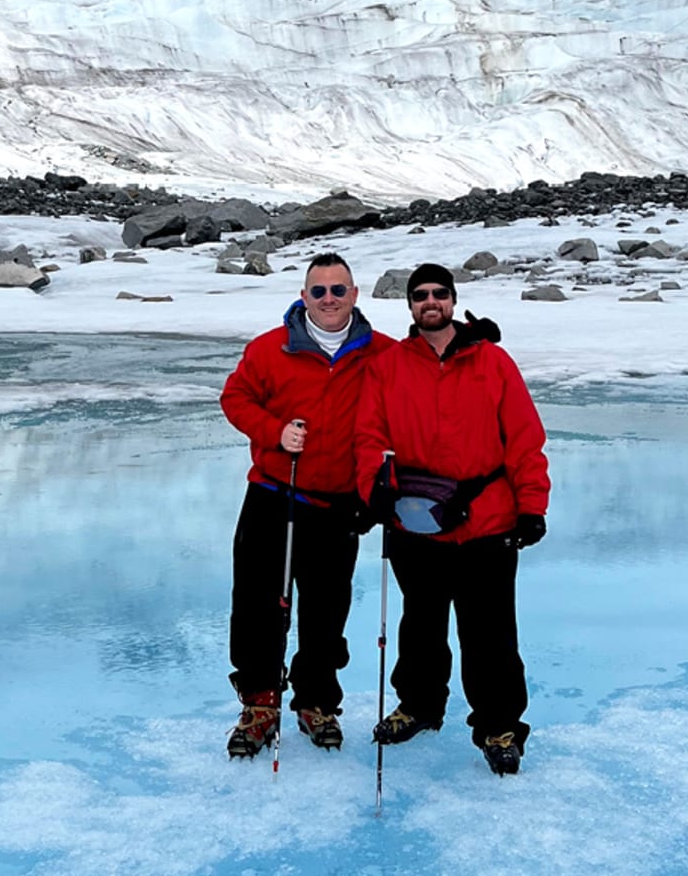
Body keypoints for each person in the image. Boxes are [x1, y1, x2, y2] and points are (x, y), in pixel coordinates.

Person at [355, 262, 550, 776]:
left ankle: (499, 725)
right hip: (415, 519)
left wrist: (532, 506)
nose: (430, 302)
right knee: (420, 624)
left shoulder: (493, 363)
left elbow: (525, 440)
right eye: (420, 295)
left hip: (487, 521)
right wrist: (373, 489)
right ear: (410, 306)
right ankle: (418, 706)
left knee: (490, 633)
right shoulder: (389, 366)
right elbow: (369, 438)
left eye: (439, 293)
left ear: (453, 299)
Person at [219, 252, 394, 759]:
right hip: (275, 495)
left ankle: (316, 702)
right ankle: (260, 704)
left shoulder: (381, 354)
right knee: (258, 605)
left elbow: (422, 379)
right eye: (319, 291)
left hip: (339, 504)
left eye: (339, 290)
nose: (329, 300)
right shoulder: (270, 349)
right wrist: (274, 432)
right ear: (304, 297)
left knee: (326, 608)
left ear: (355, 296)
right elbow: (236, 399)